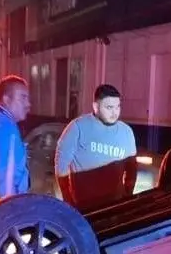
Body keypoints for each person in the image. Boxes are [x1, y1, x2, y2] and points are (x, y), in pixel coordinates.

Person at [54, 83, 138, 211]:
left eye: (118, 107)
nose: (114, 112)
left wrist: (127, 196)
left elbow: (131, 168)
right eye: (109, 107)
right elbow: (61, 165)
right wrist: (69, 201)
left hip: (115, 208)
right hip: (85, 209)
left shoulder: (126, 132)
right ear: (95, 107)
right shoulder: (77, 128)